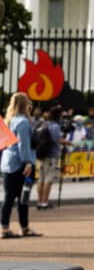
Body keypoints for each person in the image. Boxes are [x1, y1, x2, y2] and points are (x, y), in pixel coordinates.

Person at [2, 93, 42, 238]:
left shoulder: (9, 120)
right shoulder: (23, 122)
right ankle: (22, 227)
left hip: (8, 162)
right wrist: (28, 163)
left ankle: (6, 227)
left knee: (9, 197)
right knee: (23, 197)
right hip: (21, 164)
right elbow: (23, 144)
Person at [35, 105, 69, 210]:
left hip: (42, 154)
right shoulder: (55, 126)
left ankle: (40, 202)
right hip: (51, 155)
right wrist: (69, 143)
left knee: (41, 179)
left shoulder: (43, 123)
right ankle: (45, 202)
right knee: (48, 180)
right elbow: (58, 140)